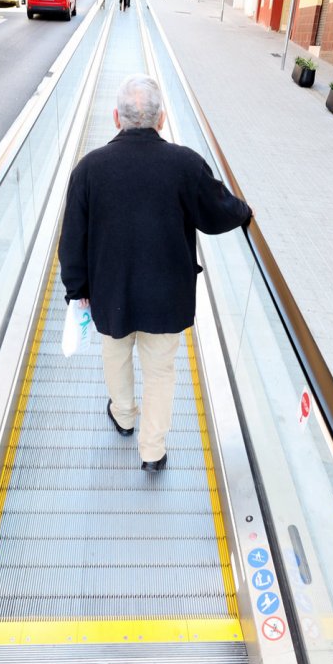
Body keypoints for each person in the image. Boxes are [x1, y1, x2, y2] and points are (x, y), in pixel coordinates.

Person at [59, 75, 252, 472]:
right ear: (160, 120)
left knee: (115, 355)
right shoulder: (184, 164)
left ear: (117, 118)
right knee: (161, 371)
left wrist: (76, 288)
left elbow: (72, 238)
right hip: (167, 295)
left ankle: (124, 416)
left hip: (110, 291)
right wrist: (244, 211)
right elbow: (218, 213)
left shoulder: (90, 169)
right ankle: (153, 451)